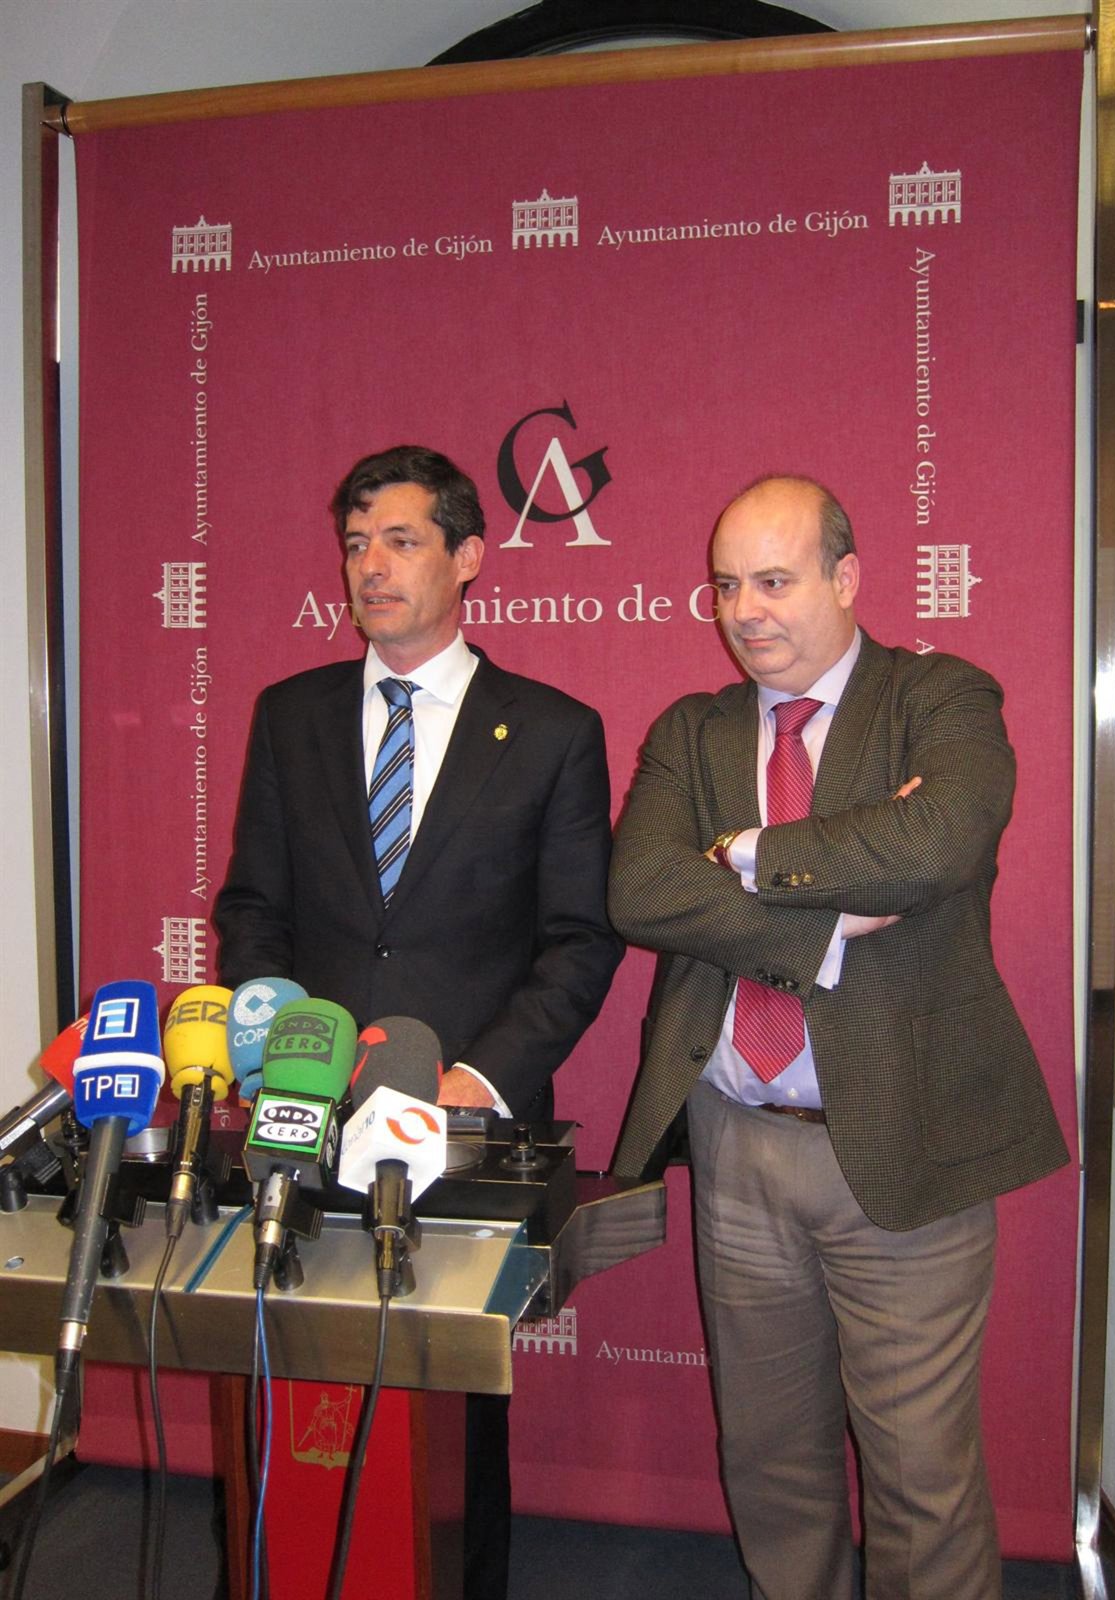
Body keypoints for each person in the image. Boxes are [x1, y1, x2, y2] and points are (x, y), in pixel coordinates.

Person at [608, 475, 1068, 1600]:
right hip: (735, 1139)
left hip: (900, 1141)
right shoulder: (693, 730)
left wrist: (746, 855)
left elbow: (937, 843)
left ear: (848, 578)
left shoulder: (941, 697)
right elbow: (640, 891)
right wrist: (822, 924)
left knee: (920, 1476)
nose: (745, 611)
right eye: (726, 586)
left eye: (774, 580)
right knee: (771, 1460)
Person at [215, 444, 623, 1600]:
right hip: (306, 1110)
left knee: (448, 1424)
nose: (371, 567)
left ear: (470, 556)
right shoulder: (290, 716)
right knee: (291, 1387)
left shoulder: (550, 730)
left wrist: (477, 1080)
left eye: (400, 541)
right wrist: (283, 1047)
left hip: (465, 1128)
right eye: (356, 544)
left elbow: (578, 940)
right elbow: (252, 910)